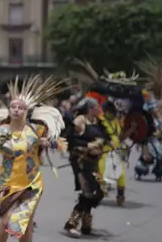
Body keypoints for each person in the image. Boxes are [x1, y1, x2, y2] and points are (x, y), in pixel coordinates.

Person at [0, 76, 67, 242]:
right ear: (9, 110)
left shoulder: (36, 130)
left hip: (32, 183)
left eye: (20, 107)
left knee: (24, 223)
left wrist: (50, 142)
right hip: (8, 183)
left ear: (26, 111)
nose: (16, 110)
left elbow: (60, 144)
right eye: (13, 107)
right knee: (6, 222)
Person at [64, 97, 106, 238]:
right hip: (81, 161)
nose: (98, 109)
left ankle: (86, 226)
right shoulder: (80, 120)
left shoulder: (96, 121)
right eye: (96, 106)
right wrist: (89, 145)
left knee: (97, 192)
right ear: (90, 108)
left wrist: (102, 142)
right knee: (88, 192)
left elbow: (102, 137)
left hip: (93, 161)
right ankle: (71, 224)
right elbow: (72, 141)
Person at [97, 101, 127, 205]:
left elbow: (121, 135)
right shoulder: (99, 121)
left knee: (121, 174)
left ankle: (120, 195)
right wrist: (107, 141)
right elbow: (99, 133)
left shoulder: (116, 121)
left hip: (117, 151)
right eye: (109, 112)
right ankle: (99, 192)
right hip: (104, 150)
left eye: (112, 112)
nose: (111, 114)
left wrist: (131, 130)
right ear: (105, 111)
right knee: (102, 170)